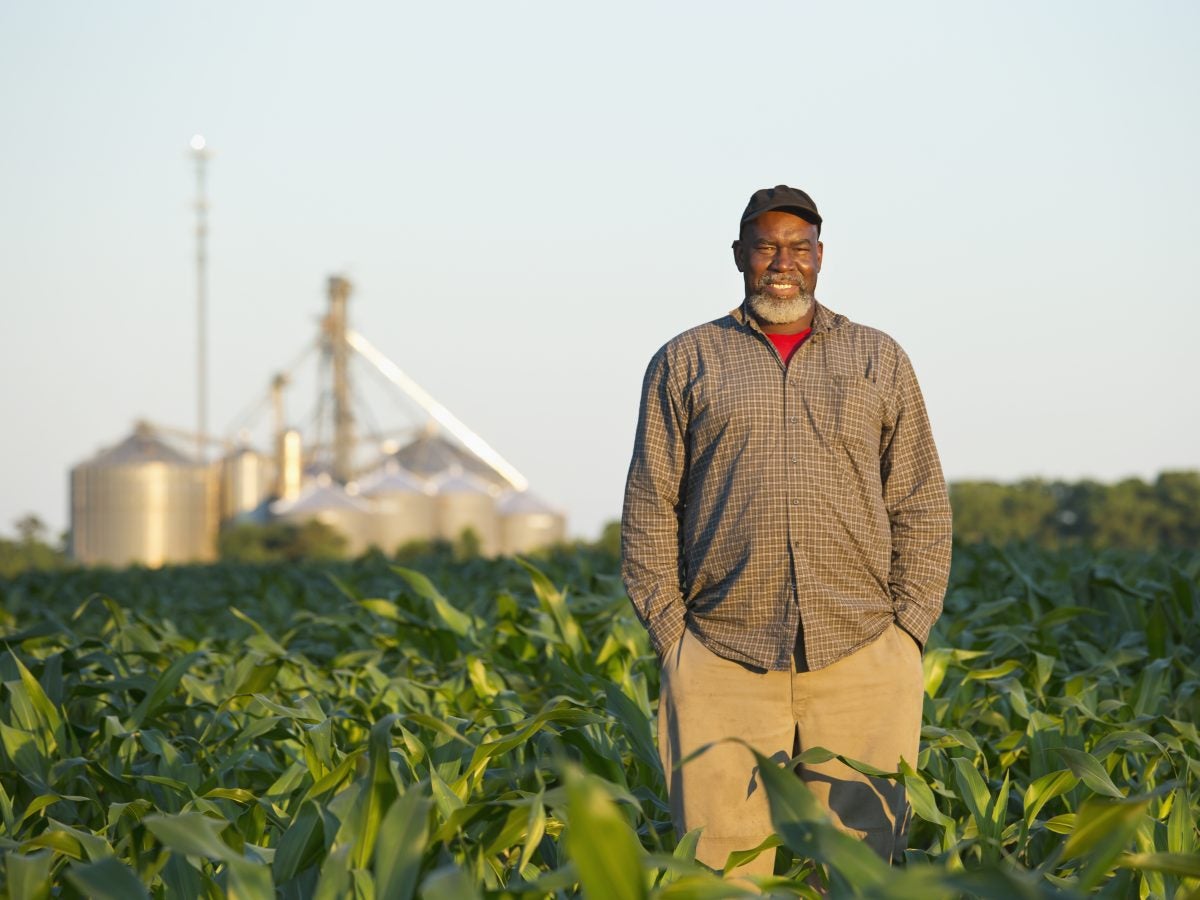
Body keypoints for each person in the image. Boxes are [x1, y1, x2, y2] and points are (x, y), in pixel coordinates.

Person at [620, 185, 952, 876]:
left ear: (821, 258)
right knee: (721, 873)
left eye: (799, 248)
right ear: (739, 254)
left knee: (861, 873)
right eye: (767, 246)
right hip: (722, 652)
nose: (782, 262)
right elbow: (651, 505)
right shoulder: (686, 361)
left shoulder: (876, 358)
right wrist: (675, 639)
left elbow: (920, 499)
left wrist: (907, 630)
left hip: (861, 651)